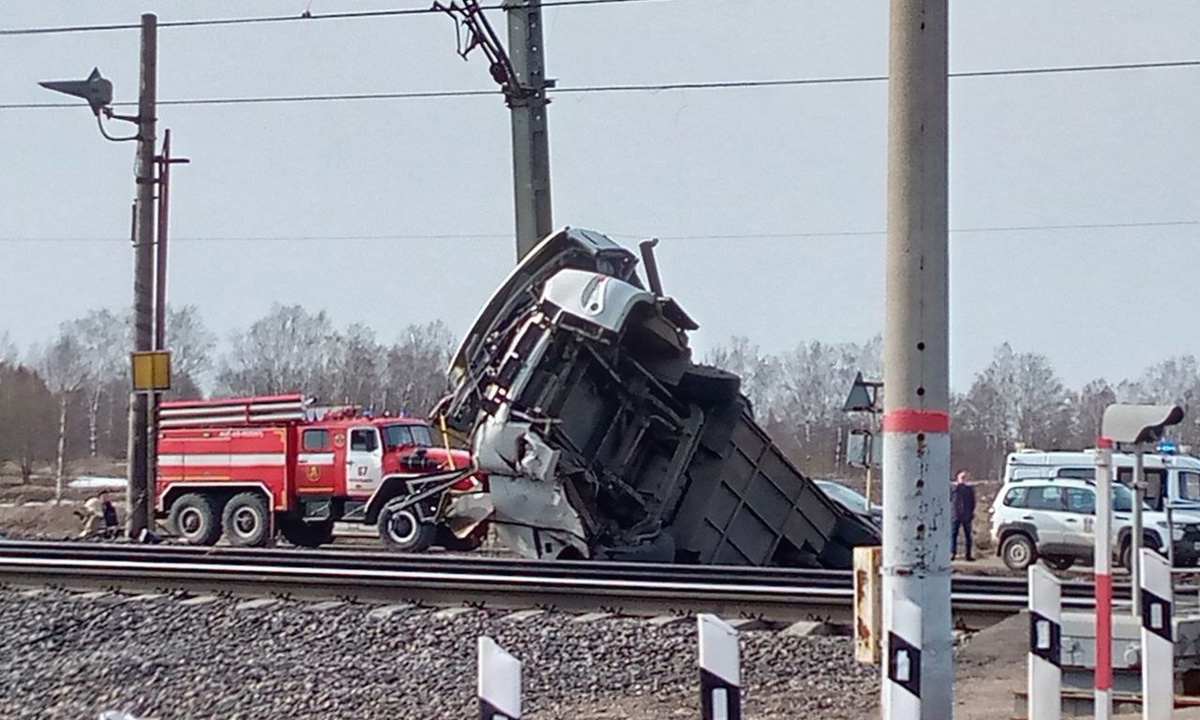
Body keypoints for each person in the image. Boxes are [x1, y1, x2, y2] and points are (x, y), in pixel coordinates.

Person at [951, 469, 976, 561]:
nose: (964, 479)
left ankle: (968, 555)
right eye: (962, 477)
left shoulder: (969, 490)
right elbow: (949, 500)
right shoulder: (953, 489)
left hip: (966, 516)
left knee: (968, 536)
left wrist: (970, 513)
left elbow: (973, 503)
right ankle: (952, 553)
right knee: (953, 534)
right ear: (958, 478)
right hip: (955, 515)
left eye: (966, 478)